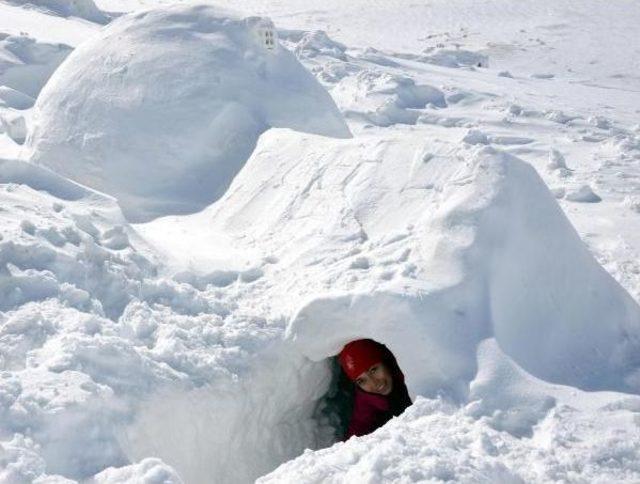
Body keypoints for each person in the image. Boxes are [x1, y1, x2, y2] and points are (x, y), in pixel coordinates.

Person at [338, 339, 412, 440]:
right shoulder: (366, 396)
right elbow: (359, 425)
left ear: (385, 362)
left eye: (373, 370)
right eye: (361, 381)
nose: (374, 383)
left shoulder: (411, 374)